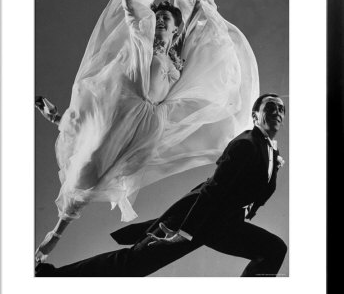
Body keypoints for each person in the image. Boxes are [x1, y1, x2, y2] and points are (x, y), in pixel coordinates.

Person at [35, 0, 259, 262]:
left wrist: (195, 3)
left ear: (174, 31)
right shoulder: (143, 44)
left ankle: (214, 179)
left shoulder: (177, 58)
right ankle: (56, 232)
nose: (160, 22)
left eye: (166, 20)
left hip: (152, 121)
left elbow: (190, 30)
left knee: (109, 168)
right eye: (158, 19)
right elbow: (131, 11)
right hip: (129, 107)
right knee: (89, 168)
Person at [36, 94, 287, 277]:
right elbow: (214, 190)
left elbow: (253, 191)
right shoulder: (245, 144)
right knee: (132, 265)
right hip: (195, 220)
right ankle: (50, 277)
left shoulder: (268, 152)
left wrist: (271, 169)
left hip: (224, 224)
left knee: (273, 249)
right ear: (255, 116)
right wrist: (184, 232)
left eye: (281, 109)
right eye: (271, 107)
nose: (277, 112)